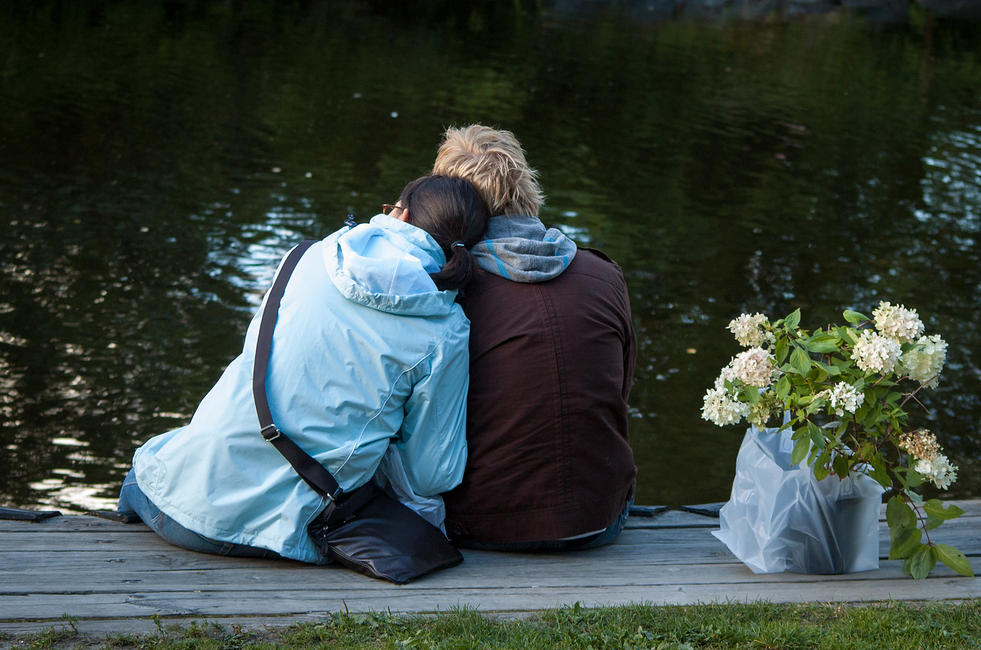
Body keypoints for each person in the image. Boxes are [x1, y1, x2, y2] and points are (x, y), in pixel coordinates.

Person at [118, 174, 488, 563]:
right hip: (281, 530)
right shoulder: (445, 328)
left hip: (174, 494)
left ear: (402, 213)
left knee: (159, 452)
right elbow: (430, 474)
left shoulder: (304, 257)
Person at [434, 125, 637, 551]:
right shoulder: (604, 275)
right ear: (527, 185)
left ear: (449, 201)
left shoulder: (447, 288)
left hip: (481, 521)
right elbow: (619, 391)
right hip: (600, 516)